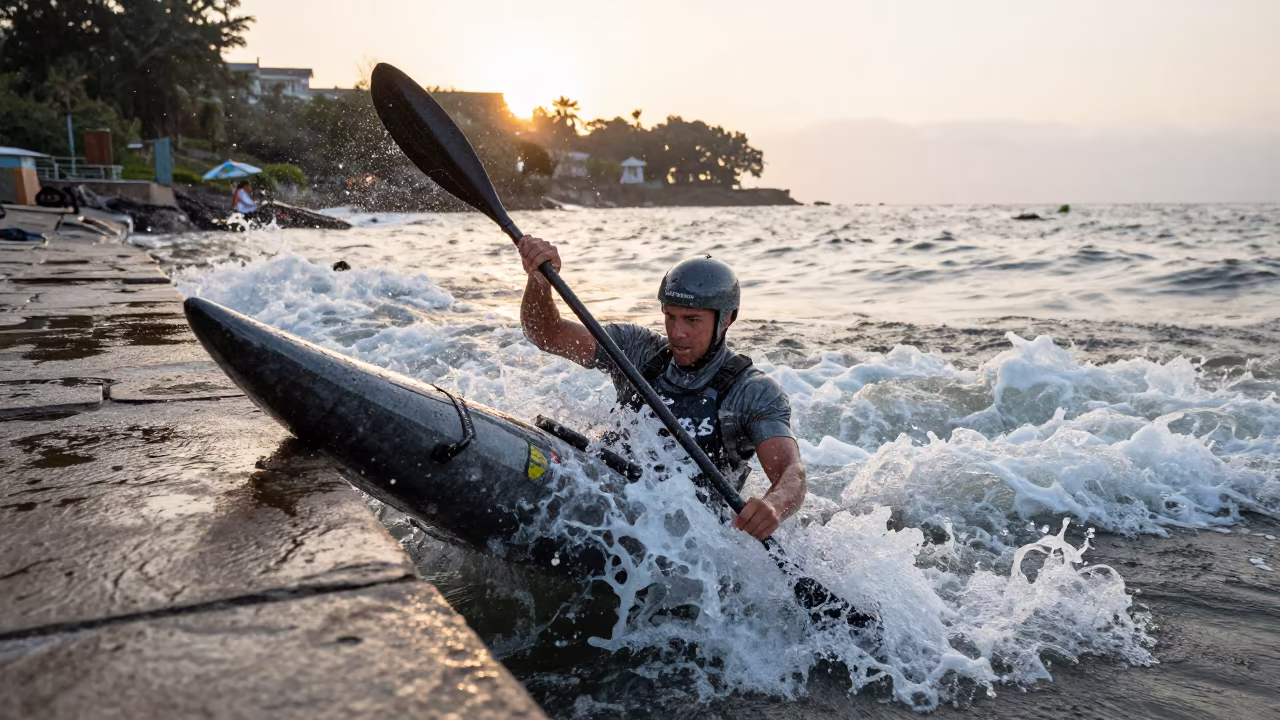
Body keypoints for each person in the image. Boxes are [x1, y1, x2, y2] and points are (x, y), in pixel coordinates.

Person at [517, 236, 805, 540]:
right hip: (609, 498)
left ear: (727, 319)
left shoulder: (751, 391)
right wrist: (539, 280)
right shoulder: (635, 349)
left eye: (692, 320)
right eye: (670, 316)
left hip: (681, 538)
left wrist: (773, 506)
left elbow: (792, 473)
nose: (677, 332)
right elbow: (546, 334)